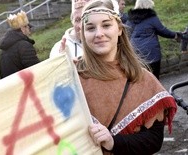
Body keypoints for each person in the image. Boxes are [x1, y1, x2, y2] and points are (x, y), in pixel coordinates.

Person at [73, 0, 177, 154]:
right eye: (90, 28)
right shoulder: (72, 78)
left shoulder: (142, 79)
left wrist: (113, 142)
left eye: (106, 25)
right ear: (83, 34)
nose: (99, 33)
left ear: (120, 29)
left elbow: (154, 140)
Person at [126, 0, 180, 79]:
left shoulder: (130, 19)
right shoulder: (151, 18)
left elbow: (127, 33)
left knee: (141, 79)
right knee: (154, 77)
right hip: (151, 53)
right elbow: (162, 30)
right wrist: (175, 35)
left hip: (135, 52)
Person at [0, 11, 40, 79]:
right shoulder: (24, 45)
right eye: (28, 27)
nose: (29, 31)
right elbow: (34, 68)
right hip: (25, 85)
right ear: (23, 28)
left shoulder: (3, 49)